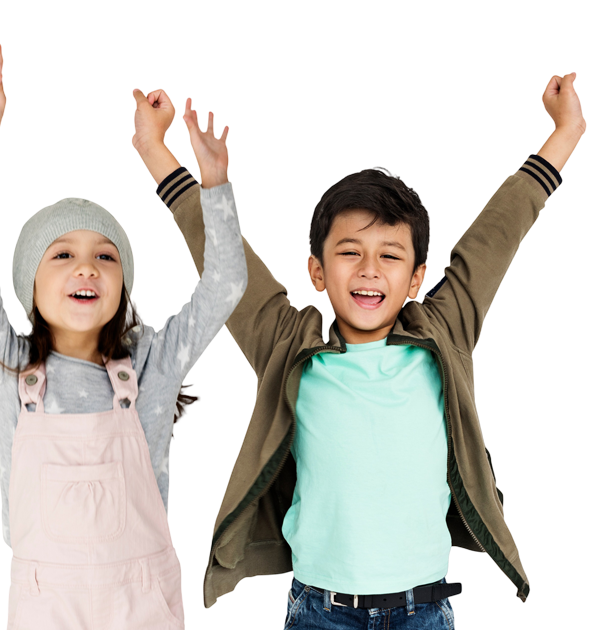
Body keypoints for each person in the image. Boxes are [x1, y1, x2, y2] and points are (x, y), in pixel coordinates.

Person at [131, 72, 586, 629]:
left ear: (419, 278)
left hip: (425, 610)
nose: (370, 269)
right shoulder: (286, 338)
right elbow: (223, 258)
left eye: (390, 255)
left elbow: (498, 231)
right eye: (351, 252)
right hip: (322, 611)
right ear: (317, 274)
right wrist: (156, 150)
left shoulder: (444, 329)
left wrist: (564, 134)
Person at [0, 38, 248, 628]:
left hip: (142, 606)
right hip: (46, 607)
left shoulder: (151, 370)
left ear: (123, 289)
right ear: (30, 287)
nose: (87, 268)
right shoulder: (10, 373)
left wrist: (213, 181)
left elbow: (226, 286)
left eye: (106, 257)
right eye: (63, 255)